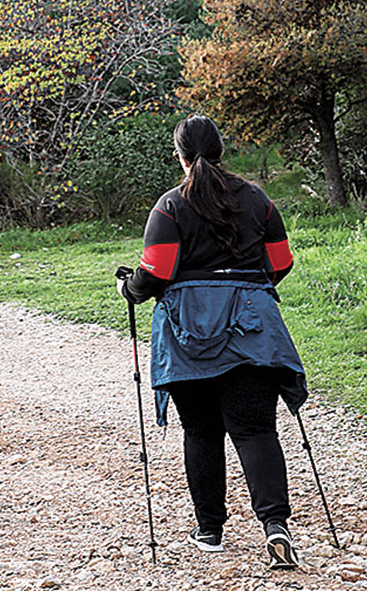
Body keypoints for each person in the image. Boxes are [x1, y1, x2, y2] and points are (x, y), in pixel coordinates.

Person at [117, 115, 307, 570]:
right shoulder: (257, 199)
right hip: (252, 328)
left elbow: (158, 272)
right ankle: (276, 526)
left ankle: (209, 529)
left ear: (180, 156)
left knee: (201, 431)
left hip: (188, 334)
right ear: (222, 150)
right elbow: (280, 263)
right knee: (256, 429)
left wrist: (131, 288)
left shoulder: (169, 206)